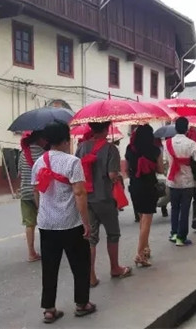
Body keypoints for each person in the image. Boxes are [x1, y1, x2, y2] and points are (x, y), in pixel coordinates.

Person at [31, 121, 95, 323]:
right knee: (80, 265)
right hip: (70, 223)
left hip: (46, 224)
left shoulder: (39, 162)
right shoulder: (72, 162)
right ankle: (82, 303)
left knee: (49, 267)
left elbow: (36, 193)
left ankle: (49, 309)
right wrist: (86, 222)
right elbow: (79, 193)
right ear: (66, 140)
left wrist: (43, 212)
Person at [75, 122, 131, 287]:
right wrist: (117, 177)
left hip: (86, 197)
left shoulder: (82, 147)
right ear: (106, 129)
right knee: (113, 234)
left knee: (91, 238)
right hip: (104, 197)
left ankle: (91, 276)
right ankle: (115, 268)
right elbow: (112, 174)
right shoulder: (111, 149)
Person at [125, 125, 164, 266]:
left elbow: (126, 169)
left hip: (135, 186)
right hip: (148, 186)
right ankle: (140, 255)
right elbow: (160, 169)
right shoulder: (154, 150)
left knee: (142, 219)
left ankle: (146, 249)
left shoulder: (130, 149)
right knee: (146, 221)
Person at [164, 117, 196, 246]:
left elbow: (166, 160)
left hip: (172, 180)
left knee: (174, 208)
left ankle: (173, 233)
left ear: (175, 128)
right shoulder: (191, 144)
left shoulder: (167, 143)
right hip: (187, 181)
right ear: (187, 128)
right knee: (185, 209)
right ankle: (181, 237)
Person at [19, 130, 46, 262]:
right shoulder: (42, 153)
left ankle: (31, 252)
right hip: (39, 192)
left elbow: (19, 173)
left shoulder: (23, 153)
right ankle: (47, 249)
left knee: (29, 224)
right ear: (39, 139)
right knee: (44, 221)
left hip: (24, 192)